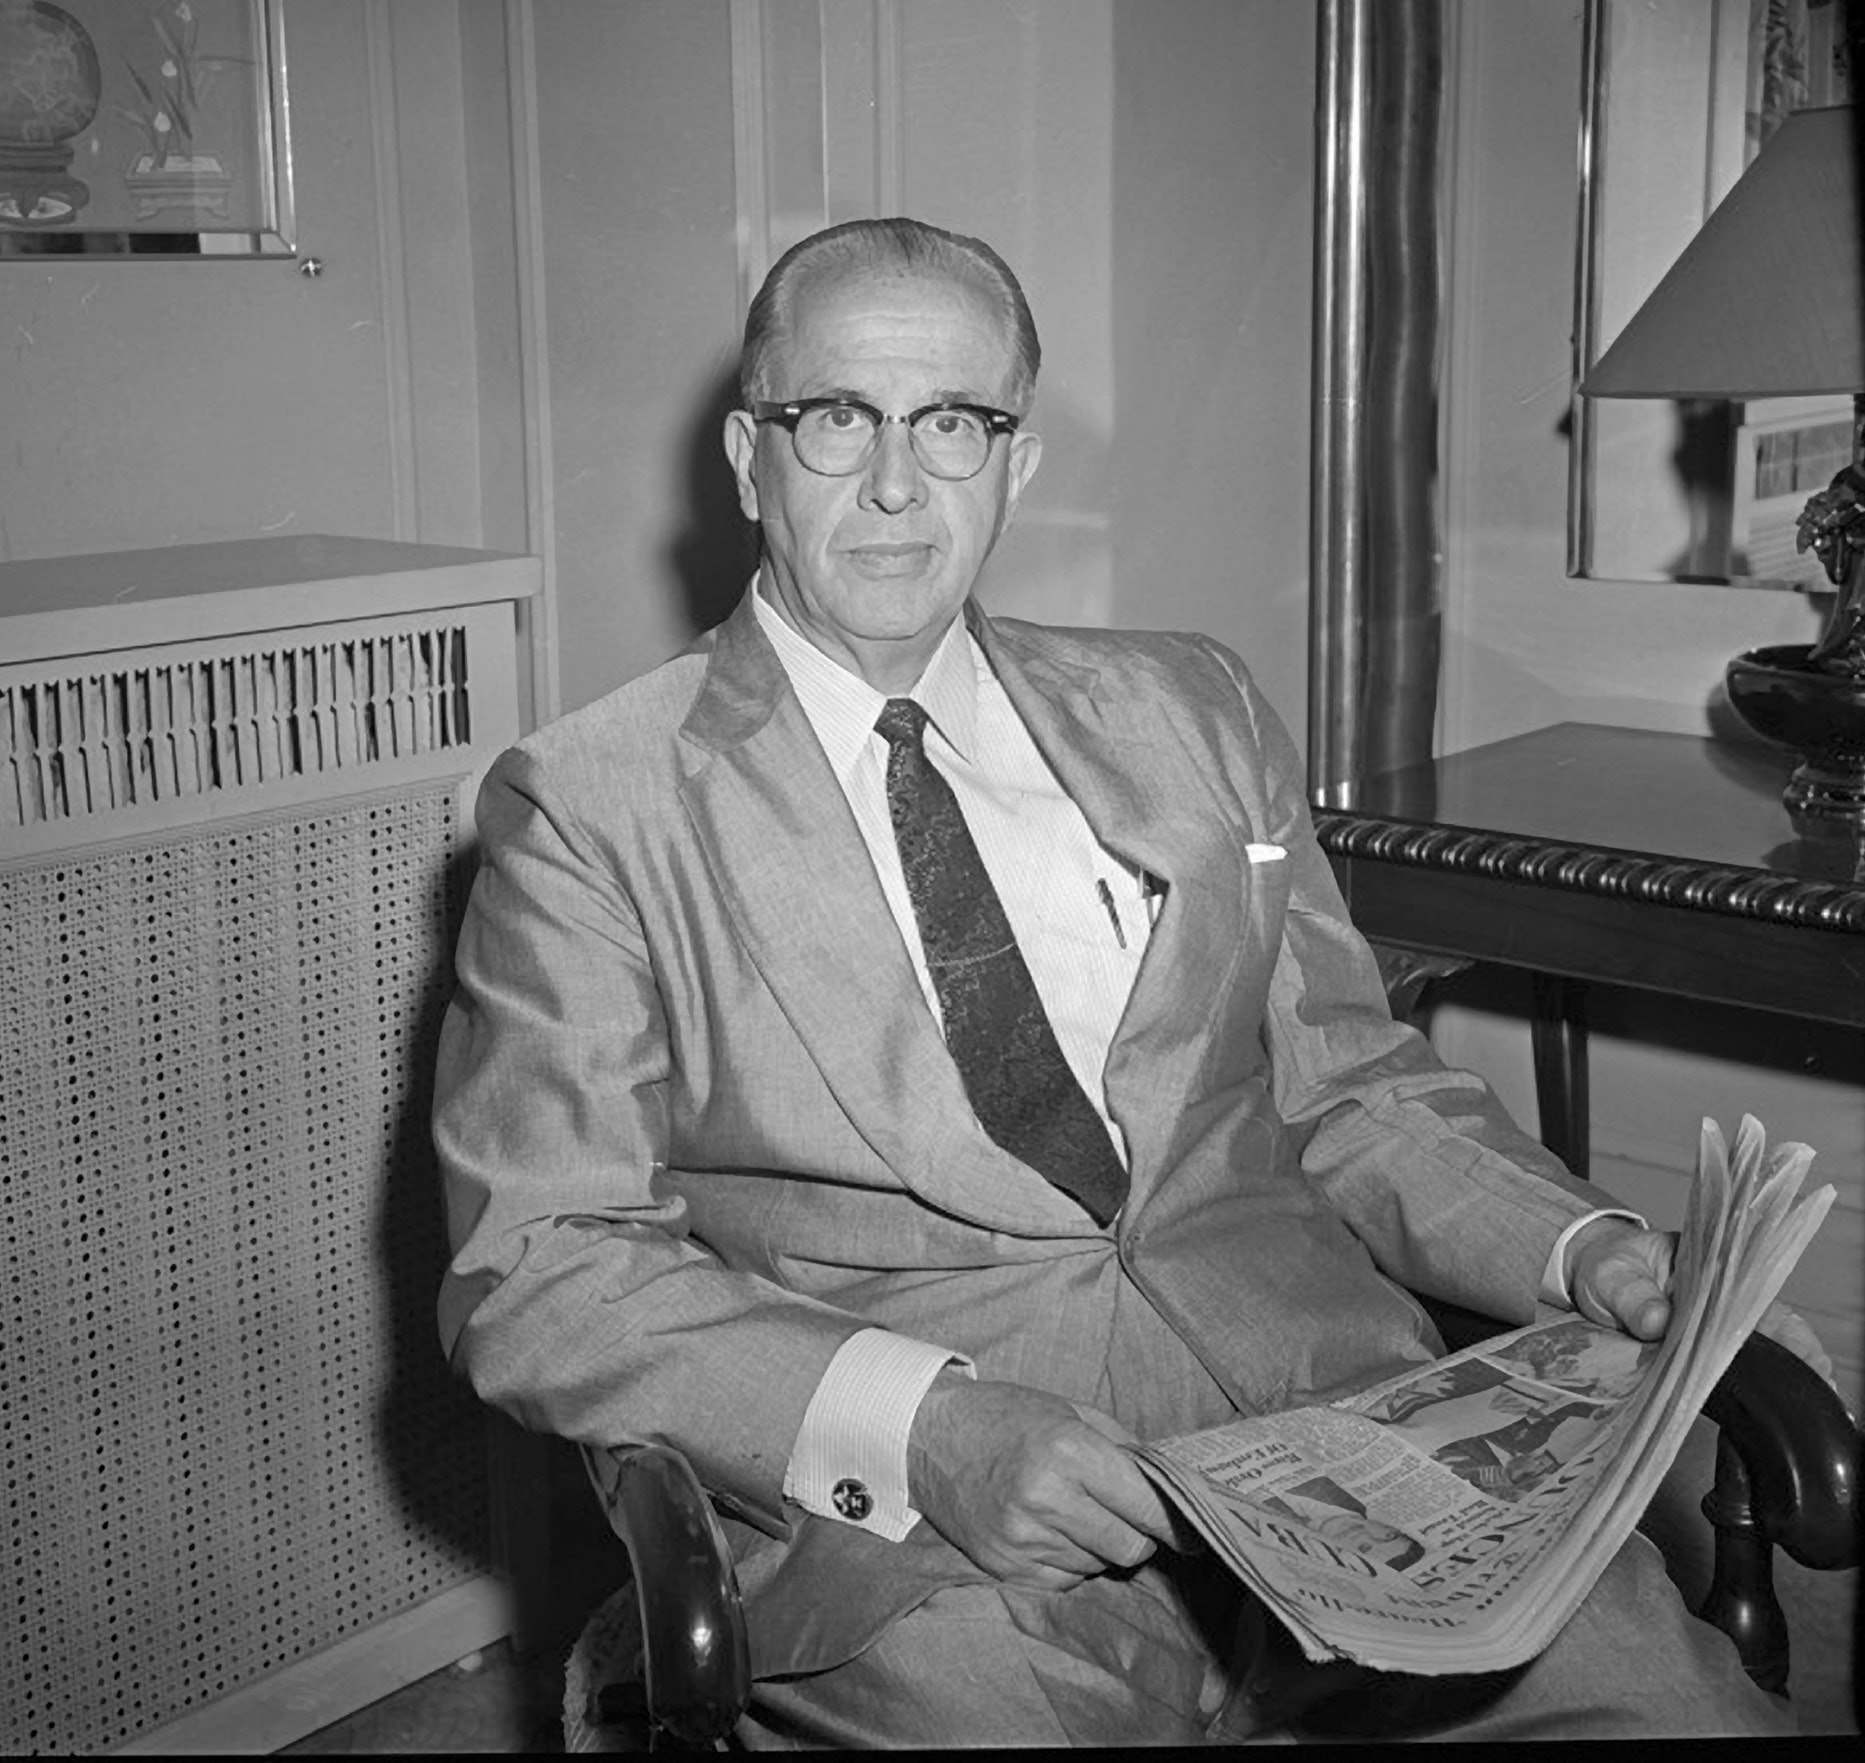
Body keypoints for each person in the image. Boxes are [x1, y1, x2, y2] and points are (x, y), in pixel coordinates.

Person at [433, 216, 1801, 1743]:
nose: (897, 483)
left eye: (953, 422)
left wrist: (1586, 1251)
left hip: (1337, 1450)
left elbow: (1344, 1086)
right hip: (937, 1551)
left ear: (1014, 466)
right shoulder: (590, 808)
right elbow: (540, 1266)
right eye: (837, 420)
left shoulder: (1192, 704)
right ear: (751, 458)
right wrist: (930, 1429)